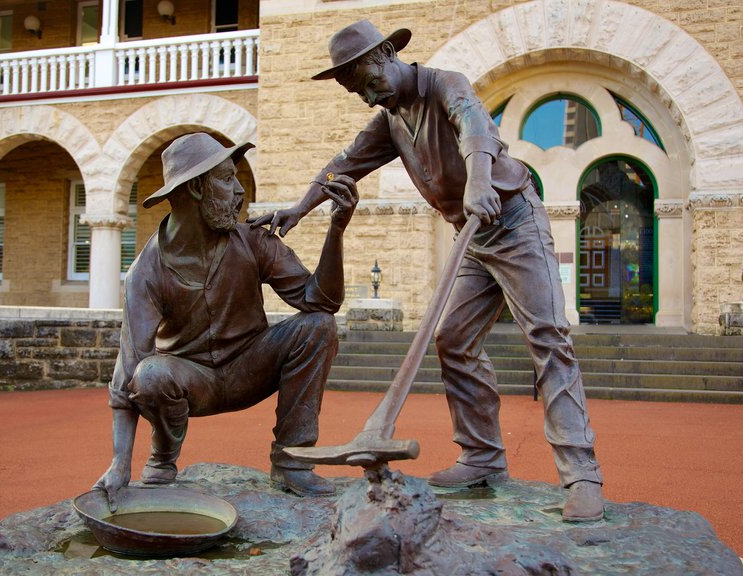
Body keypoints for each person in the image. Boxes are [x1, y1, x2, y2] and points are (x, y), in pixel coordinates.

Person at [252, 20, 604, 521]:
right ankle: (482, 457)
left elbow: (475, 127)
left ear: (387, 55)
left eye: (366, 83)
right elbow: (342, 165)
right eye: (356, 92)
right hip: (473, 236)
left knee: (548, 337)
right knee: (453, 340)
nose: (368, 98)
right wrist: (296, 209)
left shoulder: (446, 83)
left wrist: (480, 180)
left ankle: (582, 475)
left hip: (514, 221)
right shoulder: (391, 118)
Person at [94, 132, 358, 507]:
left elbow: (322, 302)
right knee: (149, 375)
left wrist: (336, 230)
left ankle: (293, 460)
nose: (238, 191)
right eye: (227, 178)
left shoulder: (252, 240)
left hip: (251, 368)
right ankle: (162, 461)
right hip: (190, 380)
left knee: (318, 327)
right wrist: (120, 463)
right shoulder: (146, 272)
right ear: (198, 189)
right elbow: (128, 374)